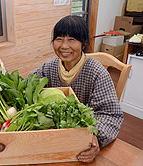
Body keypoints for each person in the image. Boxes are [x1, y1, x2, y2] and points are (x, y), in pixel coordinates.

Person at [30, 15, 123, 163]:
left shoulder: (97, 72)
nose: (64, 46)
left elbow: (111, 115)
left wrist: (95, 137)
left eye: (71, 39)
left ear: (84, 43)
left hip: (81, 145)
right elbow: (28, 86)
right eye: (59, 39)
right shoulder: (48, 67)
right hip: (52, 142)